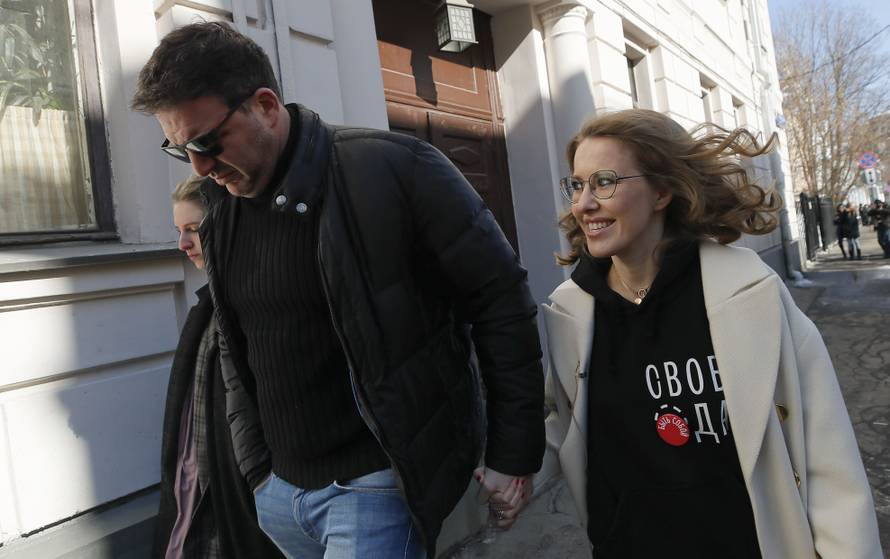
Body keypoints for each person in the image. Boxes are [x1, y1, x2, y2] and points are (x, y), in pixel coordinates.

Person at [132, 22, 544, 558]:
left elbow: (500, 303)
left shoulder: (395, 169)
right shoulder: (221, 214)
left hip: (373, 489)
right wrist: (258, 468)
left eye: (208, 142)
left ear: (266, 105)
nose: (199, 167)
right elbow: (238, 348)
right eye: (180, 148)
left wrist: (513, 451)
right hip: (279, 495)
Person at [540, 109, 882, 558]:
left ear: (661, 190)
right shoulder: (571, 310)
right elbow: (557, 427)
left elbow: (826, 452)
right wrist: (508, 470)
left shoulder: (747, 290)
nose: (582, 204)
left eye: (604, 182)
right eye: (577, 185)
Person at [155, 175, 283, 558]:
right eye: (179, 231)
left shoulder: (256, 301)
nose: (183, 244)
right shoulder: (207, 306)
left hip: (248, 490)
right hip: (200, 482)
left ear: (224, 225)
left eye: (193, 229)